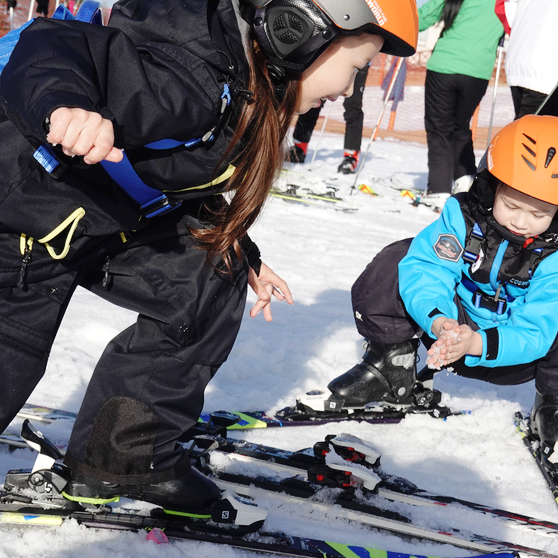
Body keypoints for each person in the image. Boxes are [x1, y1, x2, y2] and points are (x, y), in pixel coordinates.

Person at [0, 0, 418, 521]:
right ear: (301, 31)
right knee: (12, 354)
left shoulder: (237, 82)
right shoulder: (188, 72)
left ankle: (124, 458)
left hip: (94, 211)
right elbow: (53, 44)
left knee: (210, 273)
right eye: (357, 68)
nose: (351, 90)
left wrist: (243, 250)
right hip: (23, 210)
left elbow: (165, 169)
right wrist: (64, 106)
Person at [321, 115, 558, 464]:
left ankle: (552, 403)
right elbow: (428, 271)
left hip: (512, 352)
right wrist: (440, 322)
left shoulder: (553, 256)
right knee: (402, 258)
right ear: (491, 186)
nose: (521, 222)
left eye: (539, 214)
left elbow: (537, 328)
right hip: (446, 334)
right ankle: (390, 364)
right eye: (511, 206)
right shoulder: (461, 218)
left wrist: (476, 343)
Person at [418, 0, 504, 210]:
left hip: (444, 66)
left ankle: (439, 189)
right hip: (477, 72)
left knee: (439, 127)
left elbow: (423, 17)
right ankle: (464, 180)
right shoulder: (506, 2)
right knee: (460, 125)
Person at [288, 65, 369, 174]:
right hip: (338, 58)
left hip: (360, 64)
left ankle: (351, 156)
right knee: (315, 98)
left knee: (353, 107)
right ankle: (299, 147)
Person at [495, 0, 558, 119]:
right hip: (546, 71)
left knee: (524, 126)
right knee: (534, 132)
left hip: (519, 60)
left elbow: (503, 8)